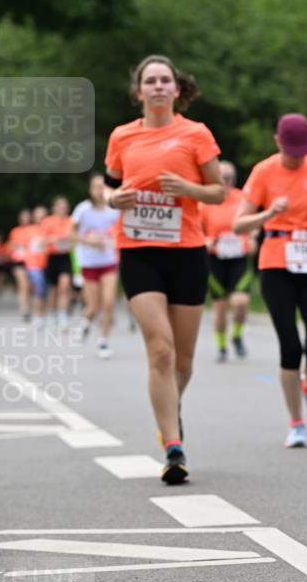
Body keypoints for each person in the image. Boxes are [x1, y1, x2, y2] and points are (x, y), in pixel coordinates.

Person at [104, 53, 224, 484]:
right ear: (139, 91)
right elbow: (110, 184)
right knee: (160, 349)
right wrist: (111, 200)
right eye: (150, 80)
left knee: (184, 361)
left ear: (176, 89)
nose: (157, 87)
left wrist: (188, 187)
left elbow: (218, 193)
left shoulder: (195, 134)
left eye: (165, 80)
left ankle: (170, 409)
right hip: (139, 251)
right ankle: (174, 448)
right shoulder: (121, 136)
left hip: (187, 251)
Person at [233, 113, 307, 448]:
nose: (297, 157)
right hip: (277, 262)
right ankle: (296, 423)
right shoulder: (264, 171)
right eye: (291, 151)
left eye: (302, 151)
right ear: (278, 142)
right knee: (291, 347)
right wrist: (268, 214)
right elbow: (238, 225)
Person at [199, 160, 255, 362]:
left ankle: (237, 335)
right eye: (223, 178)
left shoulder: (242, 199)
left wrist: (252, 237)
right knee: (220, 307)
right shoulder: (205, 201)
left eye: (230, 177)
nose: (227, 182)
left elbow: (253, 224)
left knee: (240, 302)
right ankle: (221, 346)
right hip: (216, 259)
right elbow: (196, 229)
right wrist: (206, 241)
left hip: (238, 257)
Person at [71, 173, 120, 359]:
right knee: (93, 307)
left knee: (108, 302)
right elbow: (71, 235)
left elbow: (120, 231)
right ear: (90, 190)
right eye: (96, 187)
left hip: (108, 262)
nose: (99, 190)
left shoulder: (113, 210)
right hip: (89, 262)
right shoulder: (82, 210)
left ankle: (104, 341)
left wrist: (115, 241)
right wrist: (88, 241)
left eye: (102, 186)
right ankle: (85, 323)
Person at [41, 197, 74, 329]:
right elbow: (42, 240)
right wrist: (55, 239)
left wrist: (69, 242)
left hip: (65, 257)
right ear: (54, 208)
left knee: (64, 287)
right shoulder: (47, 221)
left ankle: (63, 317)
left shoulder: (71, 221)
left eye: (65, 206)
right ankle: (53, 314)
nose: (63, 209)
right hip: (52, 257)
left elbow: (76, 238)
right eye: (60, 206)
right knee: (53, 290)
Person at [23, 206, 49, 328]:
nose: (41, 218)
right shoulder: (28, 230)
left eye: (43, 216)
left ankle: (42, 315)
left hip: (47, 264)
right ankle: (38, 316)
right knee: (38, 288)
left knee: (45, 291)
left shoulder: (49, 229)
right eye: (39, 216)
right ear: (34, 217)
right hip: (33, 264)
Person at [7, 209, 32, 320]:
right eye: (23, 217)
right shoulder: (15, 231)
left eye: (27, 216)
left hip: (32, 261)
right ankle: (24, 309)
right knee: (23, 285)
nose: (25, 219)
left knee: (30, 286)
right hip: (18, 261)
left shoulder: (34, 230)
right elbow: (11, 246)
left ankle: (28, 304)